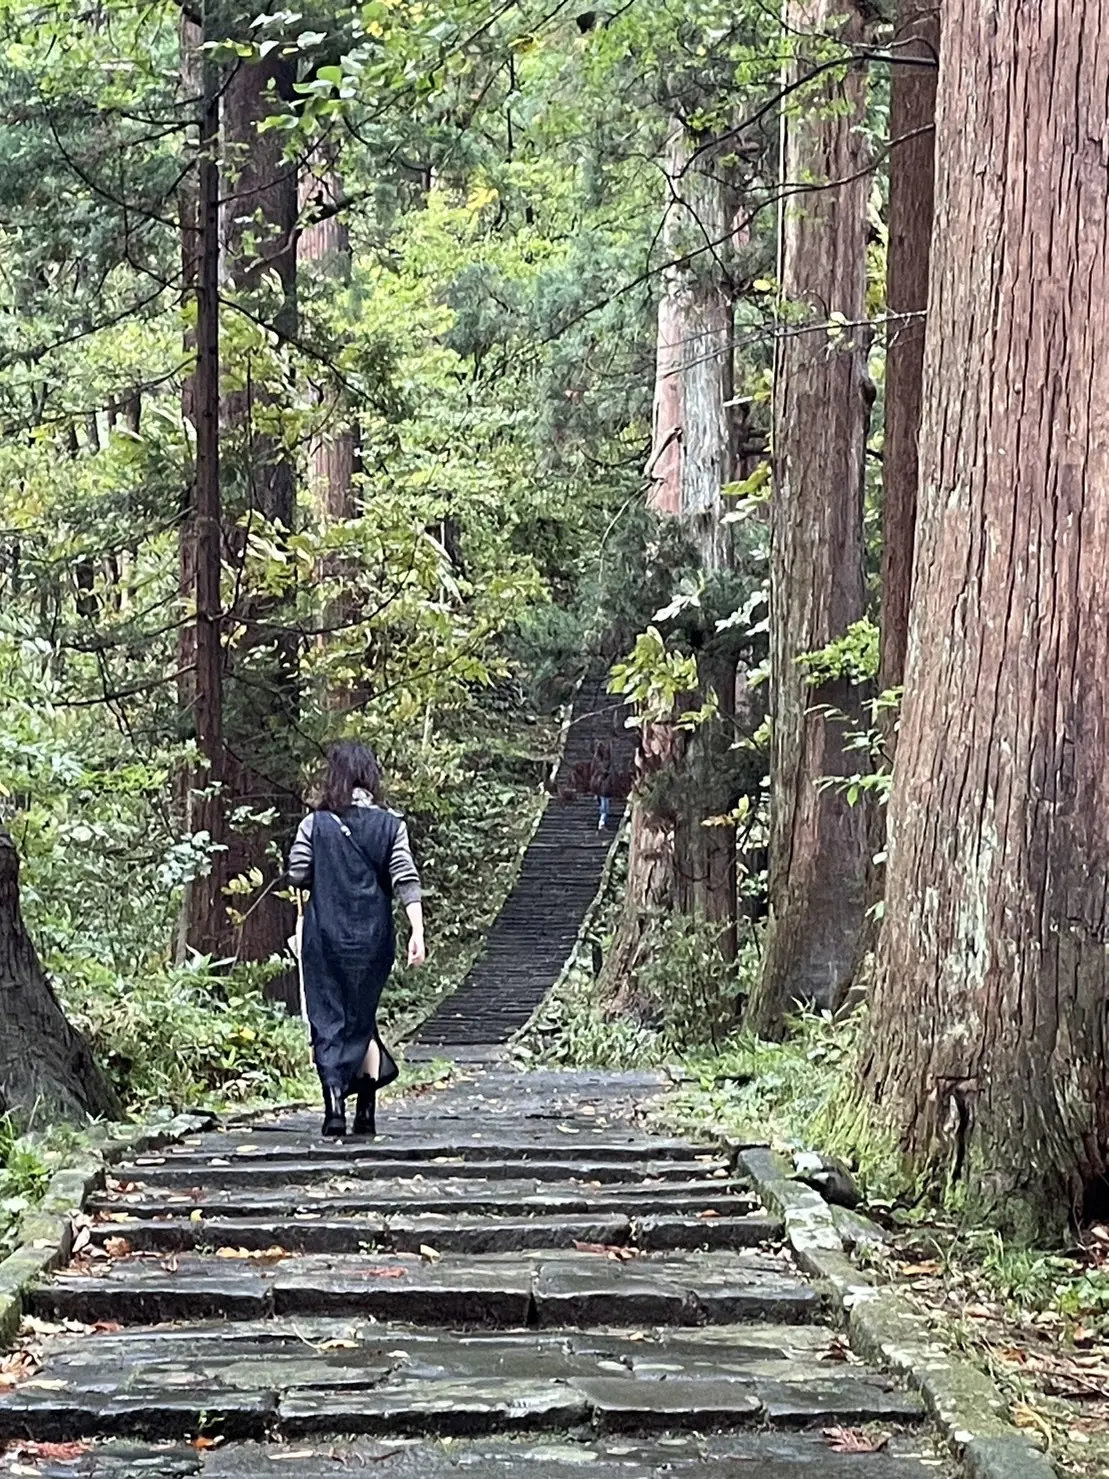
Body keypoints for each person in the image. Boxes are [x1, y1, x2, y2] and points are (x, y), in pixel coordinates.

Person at [287, 741, 425, 1138]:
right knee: (361, 1018)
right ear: (370, 777)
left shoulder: (315, 824)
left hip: (324, 936)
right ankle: (365, 1109)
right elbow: (405, 877)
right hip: (373, 940)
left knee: (328, 1017)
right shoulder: (391, 825)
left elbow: (298, 873)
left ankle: (334, 1108)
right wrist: (417, 929)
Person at [589, 739, 614, 830]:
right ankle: (602, 822)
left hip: (599, 786)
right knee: (604, 806)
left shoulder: (596, 763)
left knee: (603, 804)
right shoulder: (604, 763)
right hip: (603, 787)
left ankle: (602, 821)